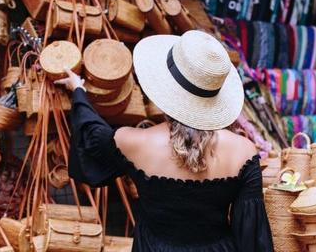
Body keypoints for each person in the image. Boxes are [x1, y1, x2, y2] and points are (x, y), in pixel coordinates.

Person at [55, 30, 274, 251]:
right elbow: (252, 237)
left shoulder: (134, 142)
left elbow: (93, 136)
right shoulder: (244, 151)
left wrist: (79, 91)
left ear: (166, 88)